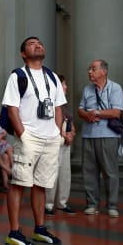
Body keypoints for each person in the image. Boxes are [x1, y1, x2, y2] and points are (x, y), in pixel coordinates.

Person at [2, 37, 66, 245]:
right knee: (19, 183)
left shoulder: (53, 77)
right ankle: (14, 231)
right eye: (31, 44)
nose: (37, 45)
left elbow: (58, 107)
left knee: (42, 184)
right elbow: (12, 108)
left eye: (39, 43)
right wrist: (23, 135)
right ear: (23, 53)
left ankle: (40, 228)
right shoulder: (18, 76)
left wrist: (57, 133)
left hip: (50, 139)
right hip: (29, 138)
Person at [78, 59, 123, 217]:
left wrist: (95, 113)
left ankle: (112, 205)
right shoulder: (87, 89)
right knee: (89, 171)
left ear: (103, 71)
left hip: (108, 135)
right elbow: (80, 111)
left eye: (93, 69)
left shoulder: (115, 88)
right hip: (88, 135)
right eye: (89, 69)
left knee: (110, 172)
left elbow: (116, 112)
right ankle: (92, 204)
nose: (90, 71)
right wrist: (86, 114)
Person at [45, 74, 76, 215]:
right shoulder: (49, 101)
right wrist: (63, 134)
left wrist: (72, 133)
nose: (66, 87)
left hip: (65, 142)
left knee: (65, 173)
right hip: (54, 141)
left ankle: (62, 202)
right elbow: (48, 122)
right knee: (52, 172)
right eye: (63, 84)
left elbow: (70, 121)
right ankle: (48, 204)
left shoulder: (64, 103)